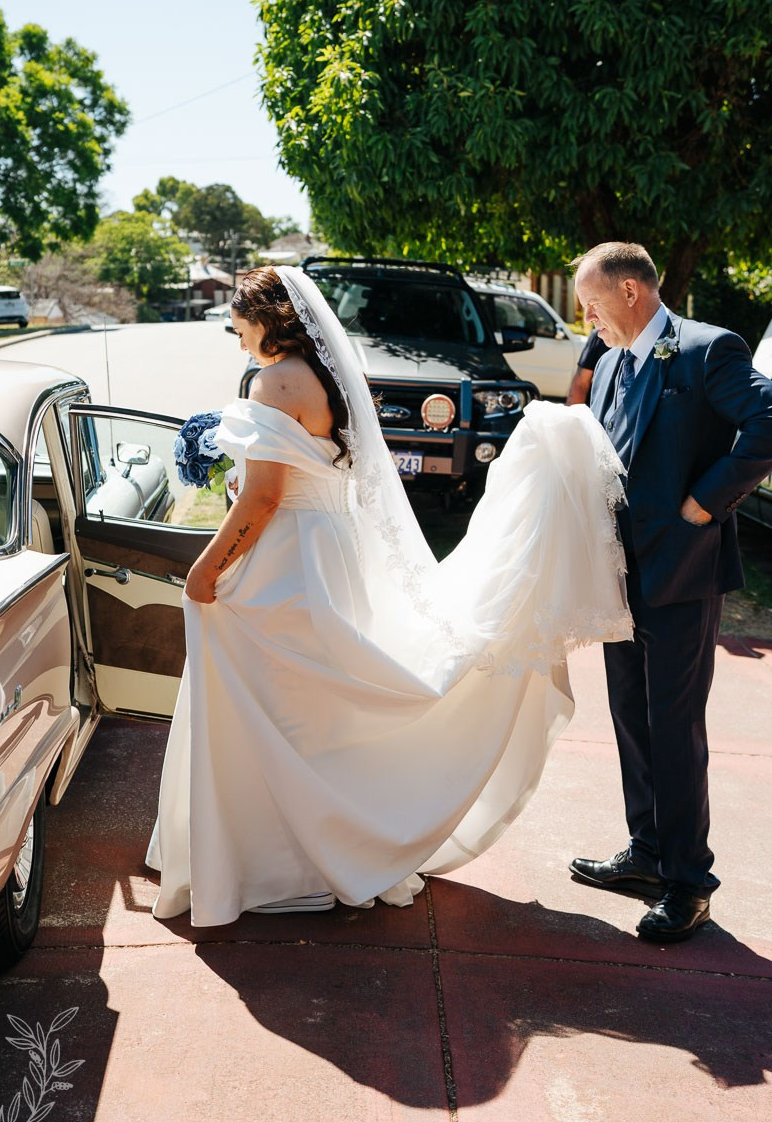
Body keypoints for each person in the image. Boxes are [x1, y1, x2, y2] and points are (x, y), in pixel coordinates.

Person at [146, 265, 634, 927]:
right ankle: (312, 851)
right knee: (313, 714)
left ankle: (268, 859)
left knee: (272, 706)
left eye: (240, 322)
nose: (236, 335)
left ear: (270, 319)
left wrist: (206, 570)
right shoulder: (328, 380)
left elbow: (263, 496)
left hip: (287, 560)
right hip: (329, 554)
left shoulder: (273, 381)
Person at [571, 242, 772, 942]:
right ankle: (647, 852)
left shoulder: (709, 350)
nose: (584, 315)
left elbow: (767, 422)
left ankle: (690, 882)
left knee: (674, 727)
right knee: (629, 714)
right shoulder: (606, 363)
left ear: (631, 292)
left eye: (591, 301)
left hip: (682, 570)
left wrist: (705, 505)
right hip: (619, 573)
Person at [566, 328, 607, 405]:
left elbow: (581, 382)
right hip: (595, 412)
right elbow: (581, 383)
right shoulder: (600, 335)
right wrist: (573, 415)